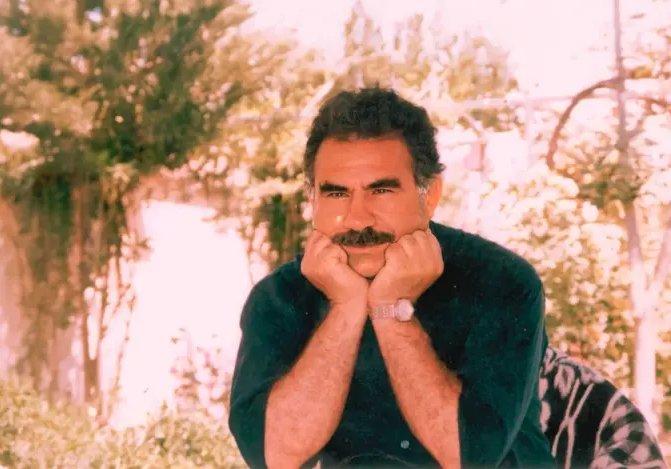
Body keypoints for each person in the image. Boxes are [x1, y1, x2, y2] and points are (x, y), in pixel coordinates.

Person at [229, 86, 557, 469]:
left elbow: (468, 457)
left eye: (381, 190)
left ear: (429, 195)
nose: (358, 219)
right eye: (336, 194)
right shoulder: (280, 297)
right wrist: (346, 308)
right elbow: (275, 456)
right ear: (313, 199)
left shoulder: (502, 282)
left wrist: (390, 310)